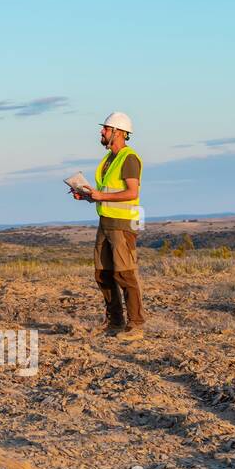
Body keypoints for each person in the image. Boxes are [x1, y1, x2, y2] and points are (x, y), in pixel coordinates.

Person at [71, 112, 145, 341]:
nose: (102, 132)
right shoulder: (107, 160)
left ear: (119, 132)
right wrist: (88, 196)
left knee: (125, 274)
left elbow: (132, 192)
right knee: (103, 273)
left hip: (122, 225)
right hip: (105, 221)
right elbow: (107, 193)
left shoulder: (129, 158)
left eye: (106, 128)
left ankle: (136, 325)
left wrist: (100, 194)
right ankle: (115, 322)